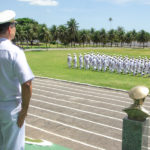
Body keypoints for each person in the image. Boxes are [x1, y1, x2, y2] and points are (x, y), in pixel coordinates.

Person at [0, 10, 34, 150]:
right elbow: (26, 83)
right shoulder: (14, 52)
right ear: (10, 28)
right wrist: (24, 111)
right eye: (14, 26)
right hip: (11, 109)